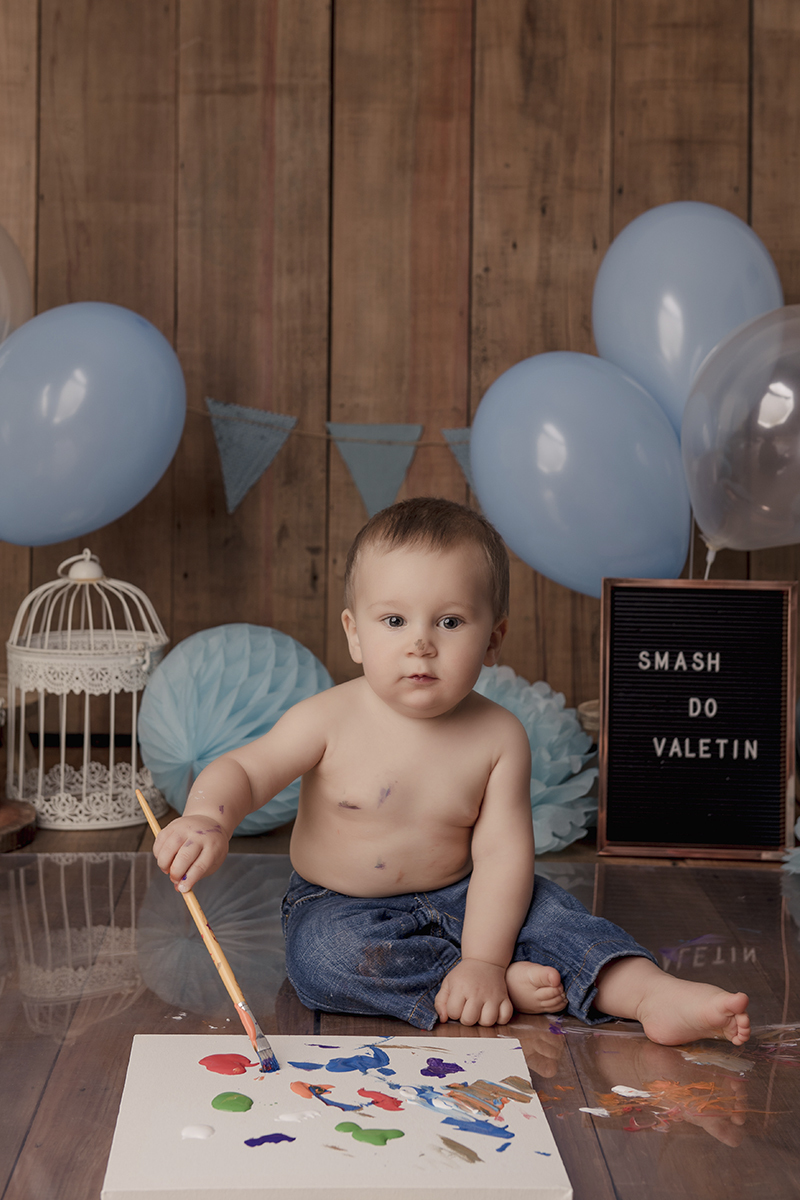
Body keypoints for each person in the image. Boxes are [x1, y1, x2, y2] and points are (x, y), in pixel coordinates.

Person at [153, 497, 750, 1045]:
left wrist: (485, 956)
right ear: (354, 634)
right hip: (340, 903)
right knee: (324, 958)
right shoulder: (327, 719)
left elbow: (502, 859)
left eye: (449, 622)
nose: (421, 644)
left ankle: (647, 991)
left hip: (469, 893)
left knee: (553, 916)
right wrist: (208, 816)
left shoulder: (497, 738)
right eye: (394, 621)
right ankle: (484, 985)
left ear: (493, 640)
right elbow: (246, 771)